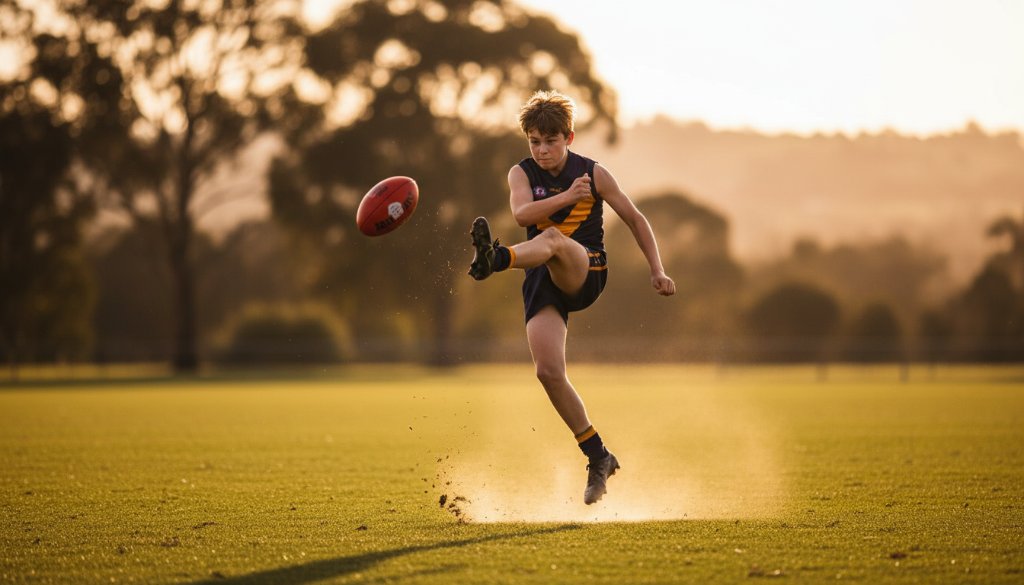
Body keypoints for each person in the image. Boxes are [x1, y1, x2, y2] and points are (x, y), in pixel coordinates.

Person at [468, 90, 676, 505]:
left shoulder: (594, 173)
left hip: (587, 267)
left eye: (551, 141)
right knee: (548, 372)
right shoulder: (521, 173)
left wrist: (657, 269)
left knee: (553, 239)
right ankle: (598, 455)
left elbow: (635, 219)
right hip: (543, 277)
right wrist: (568, 196)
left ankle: (497, 258)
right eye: (534, 142)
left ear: (569, 138)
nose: (542, 150)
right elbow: (522, 215)